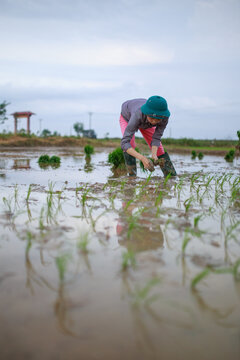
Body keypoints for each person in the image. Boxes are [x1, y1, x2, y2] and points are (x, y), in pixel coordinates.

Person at [120, 95, 177, 177]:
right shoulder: (137, 114)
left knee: (159, 149)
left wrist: (154, 155)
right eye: (152, 118)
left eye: (158, 119)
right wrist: (142, 158)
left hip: (146, 123)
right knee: (130, 144)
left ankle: (171, 176)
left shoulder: (164, 117)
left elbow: (157, 137)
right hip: (127, 117)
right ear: (147, 113)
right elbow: (124, 143)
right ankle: (132, 176)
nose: (154, 122)